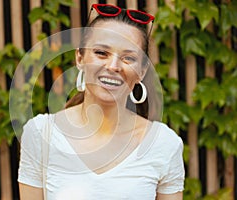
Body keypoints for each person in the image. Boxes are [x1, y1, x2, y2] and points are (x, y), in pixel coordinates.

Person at [17, 3, 185, 200]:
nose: (113, 66)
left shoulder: (164, 143)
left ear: (142, 70)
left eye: (128, 58)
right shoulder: (40, 133)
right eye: (101, 53)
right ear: (79, 58)